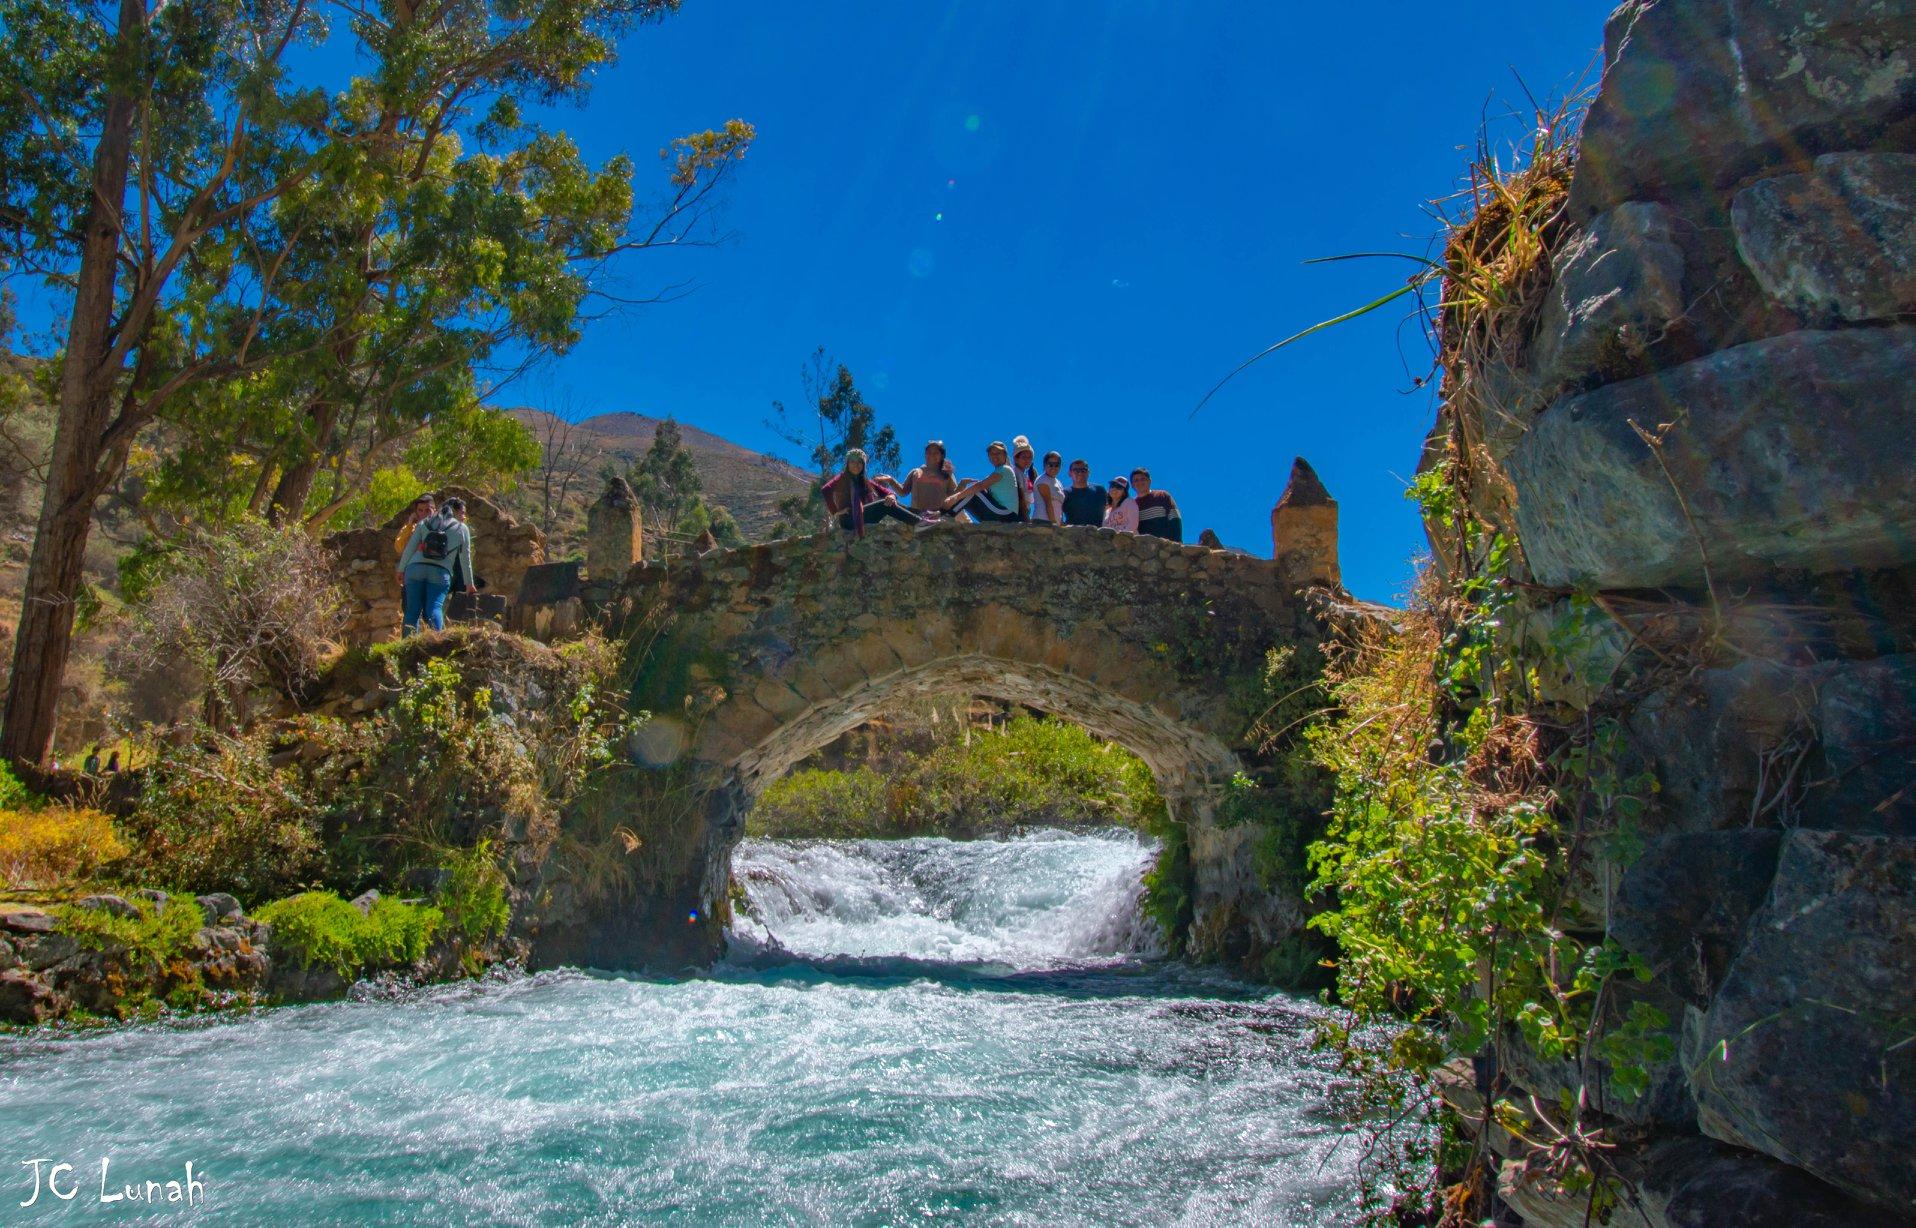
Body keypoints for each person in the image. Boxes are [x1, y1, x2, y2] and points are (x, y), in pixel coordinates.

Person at [397, 495, 476, 634]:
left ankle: (407, 649)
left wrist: (401, 570)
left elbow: (409, 548)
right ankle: (436, 645)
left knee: (412, 611)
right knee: (434, 607)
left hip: (414, 569)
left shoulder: (425, 523)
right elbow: (465, 559)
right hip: (440, 572)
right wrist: (469, 584)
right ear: (455, 512)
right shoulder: (462, 529)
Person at [821, 449, 919, 535]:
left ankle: (922, 515)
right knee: (884, 504)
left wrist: (892, 496)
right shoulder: (842, 478)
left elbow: (887, 492)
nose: (856, 465)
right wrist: (836, 512)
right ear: (848, 464)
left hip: (864, 516)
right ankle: (918, 522)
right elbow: (826, 490)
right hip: (849, 519)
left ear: (863, 465)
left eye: (860, 462)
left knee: (891, 501)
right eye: (852, 462)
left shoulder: (865, 481)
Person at [945, 441, 1023, 523]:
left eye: (998, 453)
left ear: (1005, 455)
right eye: (992, 454)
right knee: (971, 495)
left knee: (975, 492)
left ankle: (948, 515)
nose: (995, 456)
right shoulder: (997, 472)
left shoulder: (1005, 469)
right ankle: (945, 513)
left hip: (1006, 514)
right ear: (989, 457)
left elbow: (979, 486)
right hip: (1001, 513)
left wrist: (955, 498)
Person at [897, 441, 957, 516]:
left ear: (942, 456)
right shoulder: (916, 472)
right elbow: (903, 491)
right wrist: (890, 480)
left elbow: (954, 497)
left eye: (935, 453)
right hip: (917, 517)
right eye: (929, 452)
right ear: (925, 455)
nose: (932, 455)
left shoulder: (947, 474)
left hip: (938, 518)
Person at [1130, 468, 1184, 543]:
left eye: (1143, 479)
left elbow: (1175, 519)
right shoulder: (1132, 505)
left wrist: (1177, 543)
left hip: (1165, 547)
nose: (1140, 482)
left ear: (1149, 481)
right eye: (1136, 480)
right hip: (1144, 548)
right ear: (1132, 485)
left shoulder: (1162, 496)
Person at [1060, 459, 1104, 526]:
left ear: (1088, 472)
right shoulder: (1064, 493)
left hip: (1097, 535)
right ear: (1070, 473)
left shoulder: (1100, 490)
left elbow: (1110, 509)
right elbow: (1057, 514)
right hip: (1073, 534)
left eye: (1083, 470)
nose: (1080, 473)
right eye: (1076, 470)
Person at [1031, 451, 1065, 525]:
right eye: (1050, 464)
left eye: (1057, 465)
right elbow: (1048, 503)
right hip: (1043, 522)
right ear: (1044, 465)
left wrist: (1060, 522)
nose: (1053, 467)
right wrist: (1053, 523)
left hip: (1054, 523)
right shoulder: (1042, 480)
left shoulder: (1058, 483)